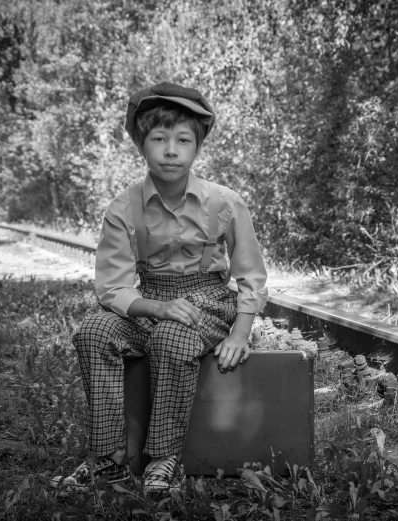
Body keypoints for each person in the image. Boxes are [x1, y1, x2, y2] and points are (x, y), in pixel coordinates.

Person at [50, 82, 268, 494]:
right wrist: (156, 306)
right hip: (151, 302)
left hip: (209, 301)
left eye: (183, 140)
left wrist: (240, 332)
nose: (172, 150)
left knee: (172, 336)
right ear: (141, 145)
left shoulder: (224, 203)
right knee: (94, 332)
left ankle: (163, 460)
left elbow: (251, 275)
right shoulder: (124, 207)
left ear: (197, 147)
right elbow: (112, 287)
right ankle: (110, 458)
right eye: (159, 139)